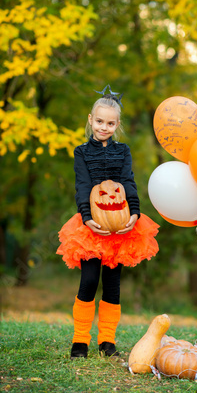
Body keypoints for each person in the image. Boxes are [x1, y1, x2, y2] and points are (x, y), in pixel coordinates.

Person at [57, 86, 159, 359]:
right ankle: (80, 340)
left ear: (117, 124)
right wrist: (87, 218)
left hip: (120, 224)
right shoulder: (81, 152)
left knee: (113, 284)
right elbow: (82, 185)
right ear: (90, 119)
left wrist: (135, 213)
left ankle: (107, 341)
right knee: (89, 280)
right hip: (91, 225)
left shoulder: (123, 151)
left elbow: (128, 182)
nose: (104, 127)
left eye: (110, 123)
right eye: (100, 121)